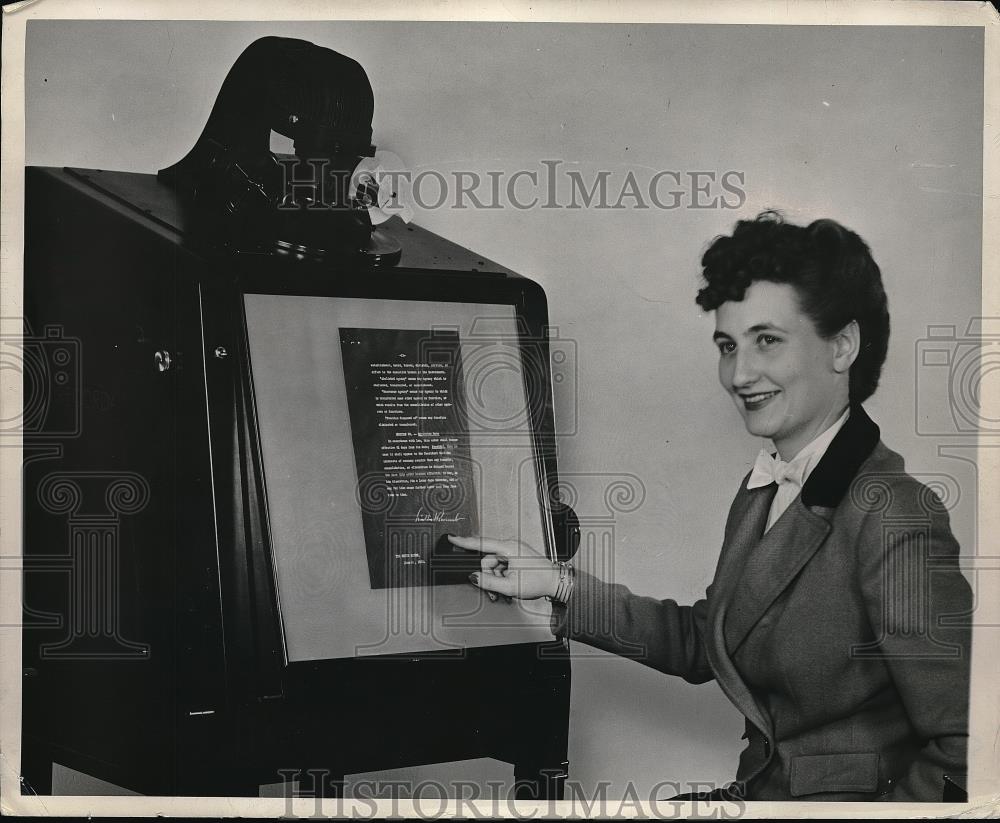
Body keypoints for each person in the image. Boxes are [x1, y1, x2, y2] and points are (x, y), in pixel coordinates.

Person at [449, 211, 972, 802]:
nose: (740, 374)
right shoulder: (764, 490)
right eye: (728, 346)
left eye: (767, 341)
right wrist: (556, 582)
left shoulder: (894, 515)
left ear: (843, 346)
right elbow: (710, 641)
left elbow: (970, 749)